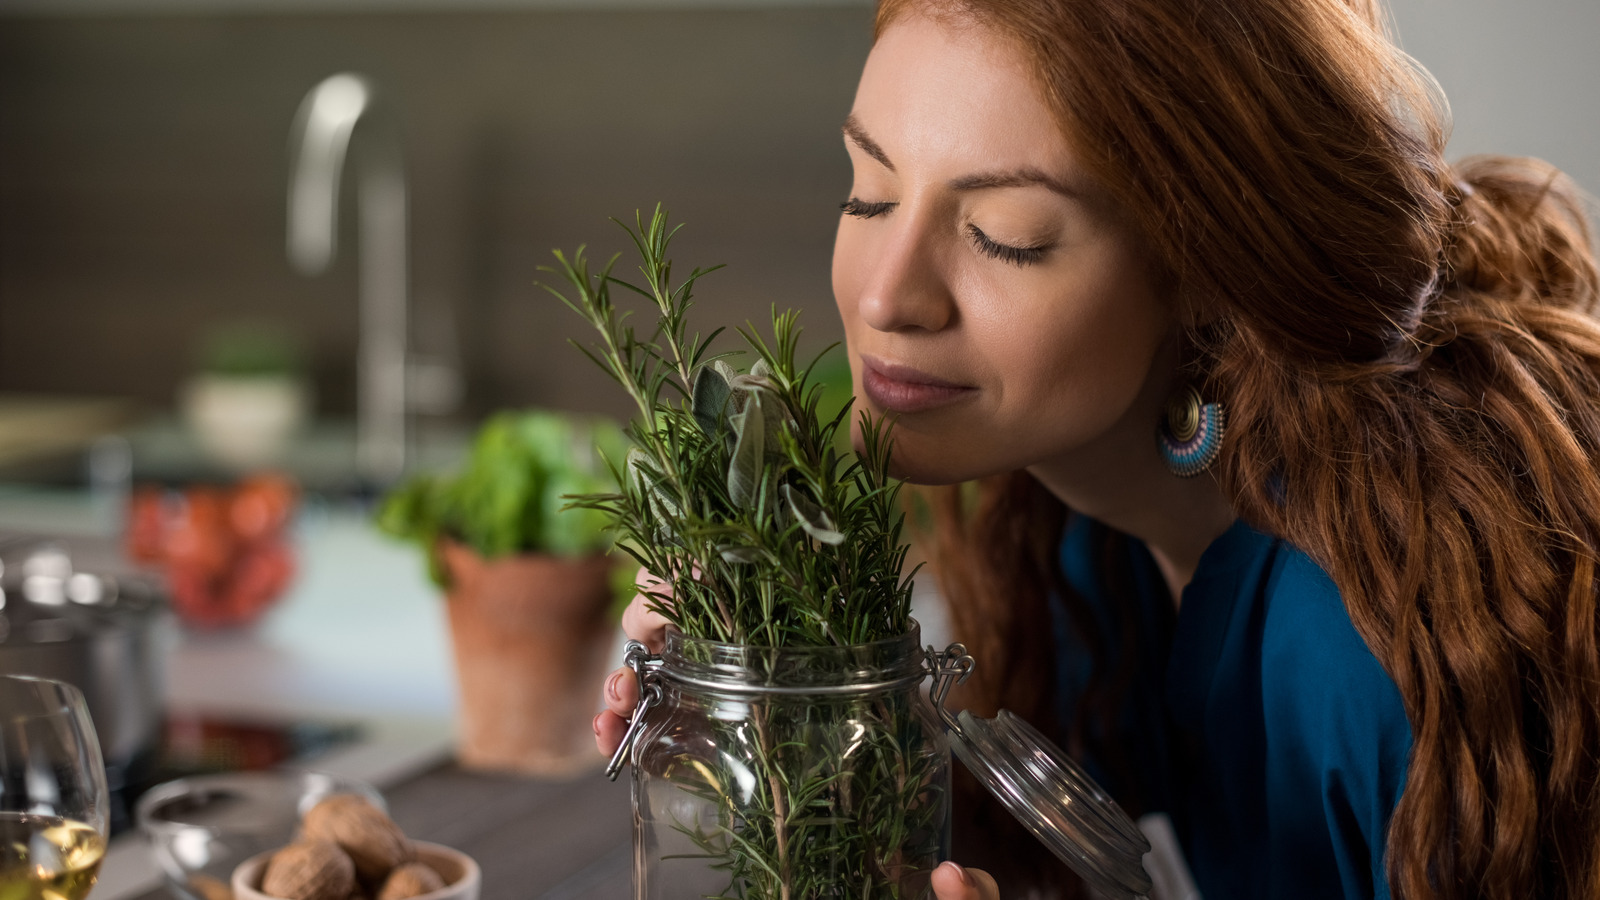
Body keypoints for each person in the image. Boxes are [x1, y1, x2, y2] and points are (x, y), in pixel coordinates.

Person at [596, 0, 1600, 896]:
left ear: (1209, 265)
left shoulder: (1359, 640)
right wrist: (780, 690)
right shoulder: (1079, 529)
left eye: (1007, 235)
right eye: (868, 192)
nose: (886, 296)